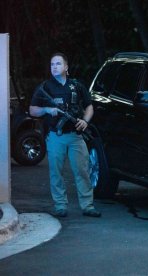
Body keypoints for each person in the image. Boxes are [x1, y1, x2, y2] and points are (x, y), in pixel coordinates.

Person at [30, 52, 101, 218]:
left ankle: (87, 205)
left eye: (58, 64)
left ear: (66, 67)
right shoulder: (45, 87)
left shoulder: (76, 86)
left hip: (76, 136)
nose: (54, 67)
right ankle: (60, 205)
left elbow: (89, 107)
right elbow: (32, 110)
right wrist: (47, 110)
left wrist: (85, 121)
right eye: (52, 64)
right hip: (56, 135)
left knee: (82, 171)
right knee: (56, 172)